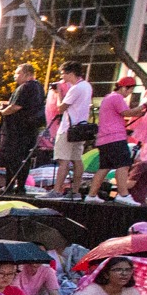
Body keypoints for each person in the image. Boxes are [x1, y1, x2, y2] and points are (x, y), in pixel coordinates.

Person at [88, 79, 146, 201]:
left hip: (104, 138)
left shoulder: (108, 98)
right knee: (124, 165)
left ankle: (91, 195)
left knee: (104, 167)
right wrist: (146, 105)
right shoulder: (117, 98)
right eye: (130, 90)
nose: (129, 93)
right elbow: (127, 112)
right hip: (115, 137)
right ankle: (123, 195)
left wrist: (141, 113)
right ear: (125, 88)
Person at [0, 62, 46, 191]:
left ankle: (9, 186)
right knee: (24, 159)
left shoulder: (25, 87)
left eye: (17, 73)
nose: (14, 76)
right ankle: (20, 186)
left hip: (16, 131)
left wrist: (2, 112)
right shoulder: (39, 87)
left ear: (27, 74)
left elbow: (16, 107)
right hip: (30, 130)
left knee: (13, 159)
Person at [51, 62, 93, 198]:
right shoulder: (86, 86)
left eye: (63, 73)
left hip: (68, 128)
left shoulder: (75, 89)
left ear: (70, 73)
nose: (61, 76)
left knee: (63, 160)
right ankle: (75, 191)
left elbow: (61, 108)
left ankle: (57, 190)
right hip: (81, 128)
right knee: (77, 159)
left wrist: (58, 94)